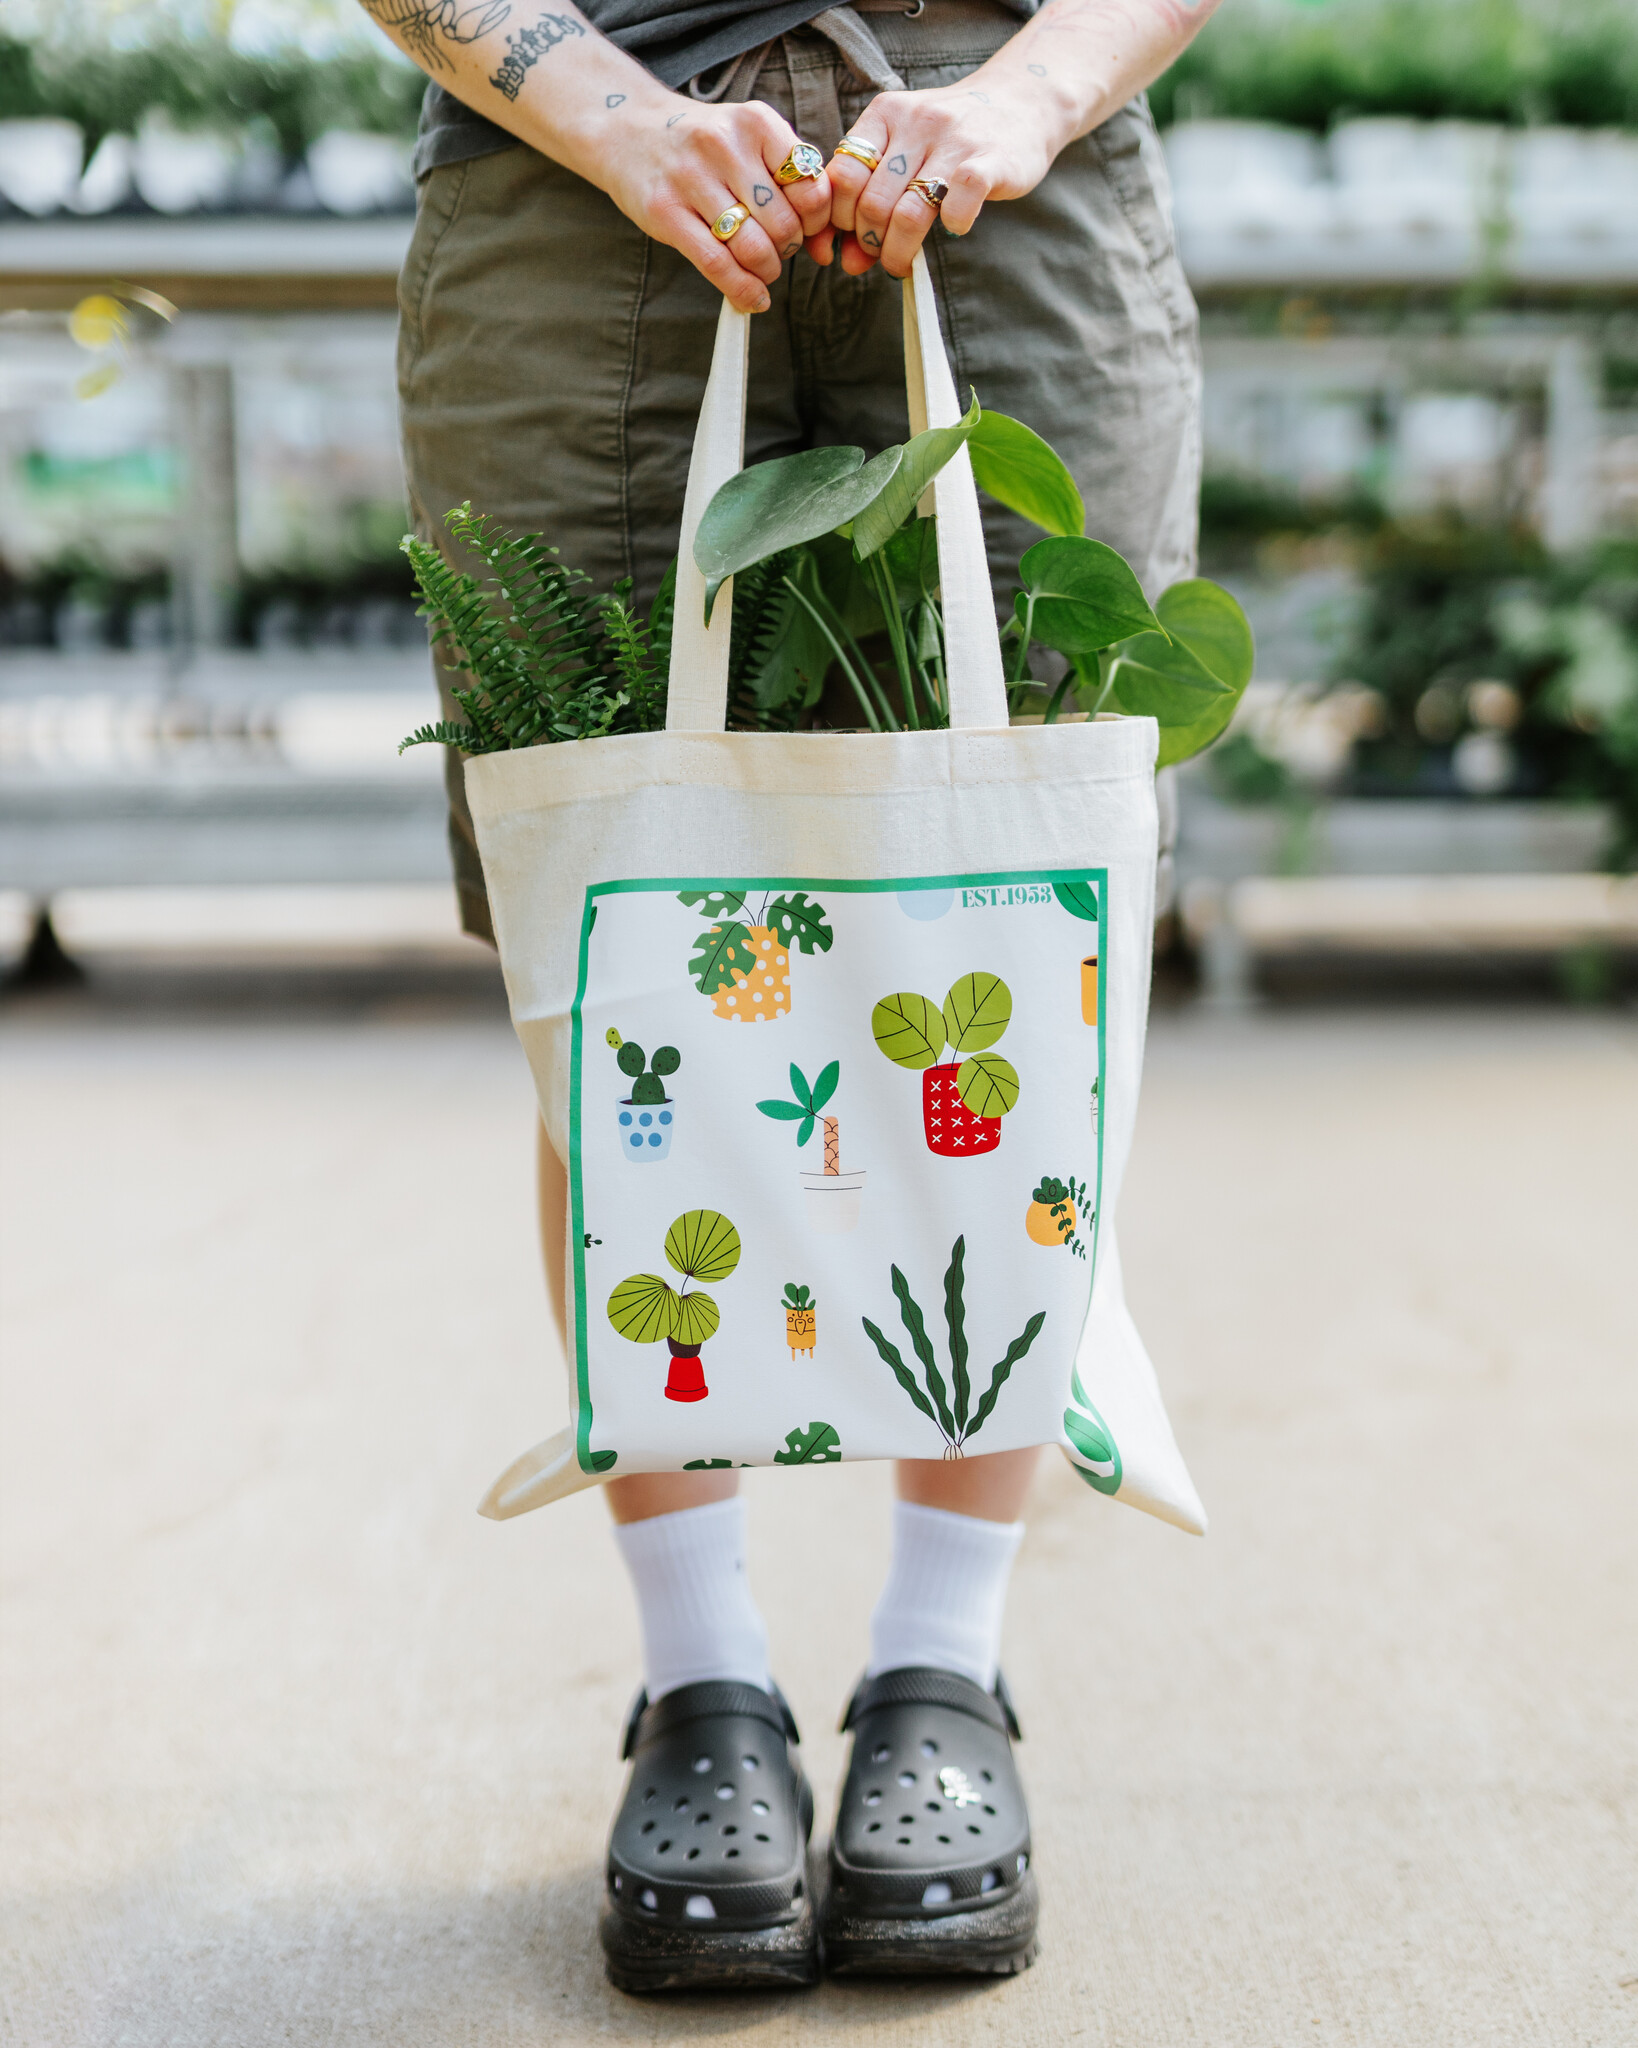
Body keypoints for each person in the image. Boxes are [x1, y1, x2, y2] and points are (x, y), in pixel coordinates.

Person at [363, 0, 1219, 1990]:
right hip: (580, 209)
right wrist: (605, 111)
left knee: (1015, 960)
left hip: (1026, 195)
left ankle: (943, 1658)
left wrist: (1026, 92)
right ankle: (703, 1686)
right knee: (628, 970)